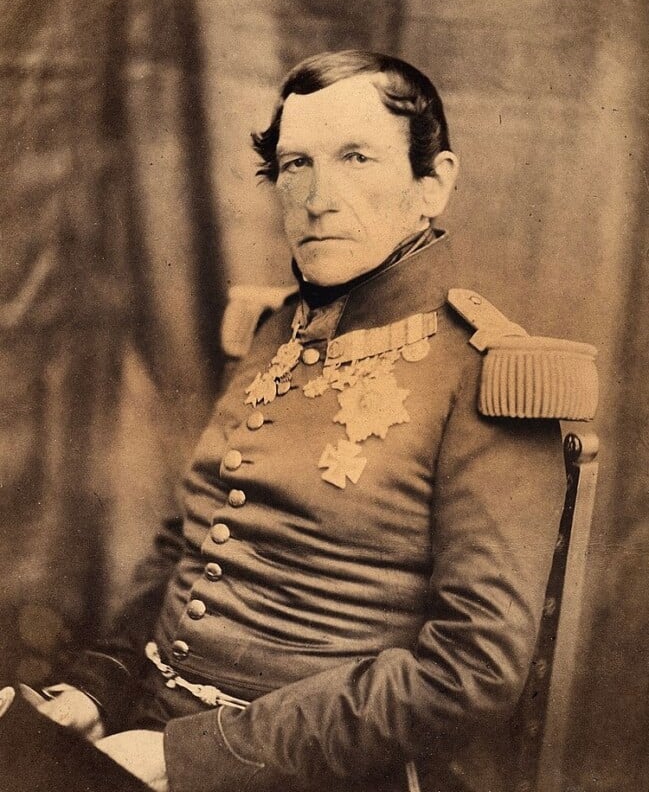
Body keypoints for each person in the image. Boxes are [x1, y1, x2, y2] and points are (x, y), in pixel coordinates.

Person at [0, 50, 597, 792]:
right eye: (294, 165)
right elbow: (184, 541)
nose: (317, 197)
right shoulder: (271, 331)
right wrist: (98, 688)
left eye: (355, 158)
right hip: (143, 733)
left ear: (432, 183)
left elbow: (470, 669)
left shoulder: (488, 377)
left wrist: (189, 758)